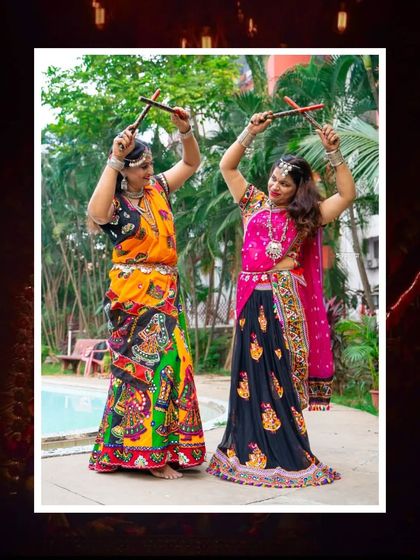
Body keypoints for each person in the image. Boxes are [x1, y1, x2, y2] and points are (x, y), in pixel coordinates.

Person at [207, 111, 356, 488]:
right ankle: (245, 450)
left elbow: (348, 195)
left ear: (298, 188)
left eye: (284, 184)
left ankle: (284, 449)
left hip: (282, 306)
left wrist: (334, 154)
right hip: (248, 306)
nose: (275, 186)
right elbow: (227, 166)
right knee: (248, 377)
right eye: (274, 179)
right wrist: (249, 131)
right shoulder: (252, 203)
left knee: (279, 379)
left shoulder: (307, 215)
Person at [87, 107, 205, 479]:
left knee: (175, 366)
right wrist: (114, 159)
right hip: (133, 298)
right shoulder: (117, 202)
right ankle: (147, 455)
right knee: (142, 370)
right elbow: (96, 212)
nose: (150, 171)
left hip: (166, 293)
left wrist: (185, 130)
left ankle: (165, 448)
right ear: (125, 170)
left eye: (151, 164)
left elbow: (191, 163)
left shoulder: (159, 190)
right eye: (142, 167)